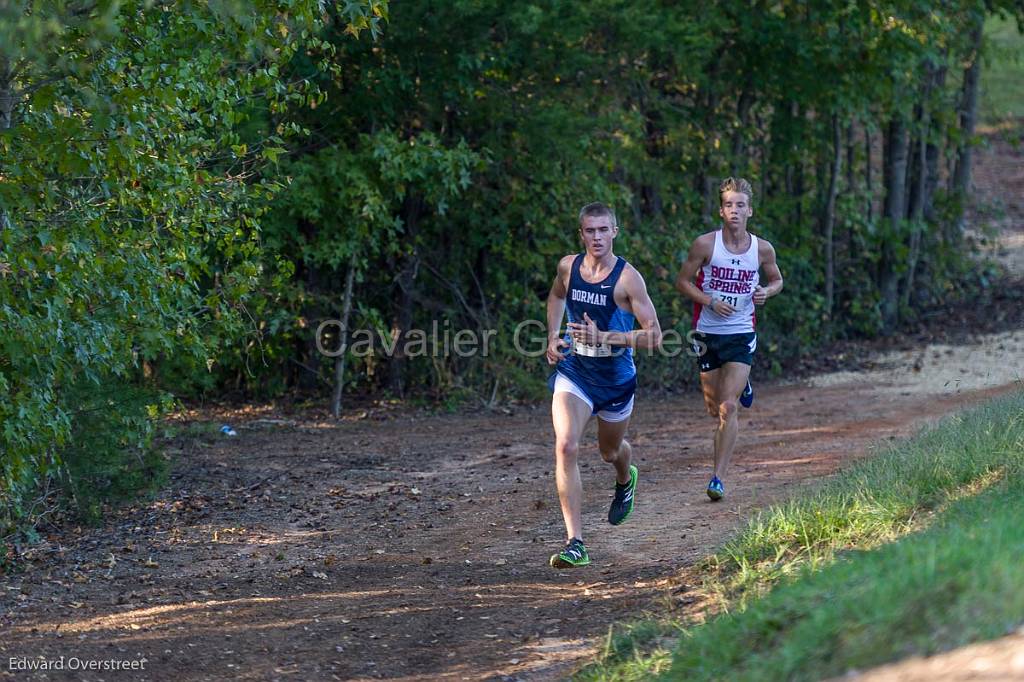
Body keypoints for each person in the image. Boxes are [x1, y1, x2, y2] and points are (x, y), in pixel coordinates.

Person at [544, 202, 662, 568]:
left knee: (609, 453)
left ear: (615, 232)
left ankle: (625, 478)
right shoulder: (569, 267)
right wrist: (552, 336)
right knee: (565, 446)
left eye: (603, 230)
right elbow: (556, 297)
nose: (596, 237)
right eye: (589, 231)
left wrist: (606, 336)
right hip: (576, 372)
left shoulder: (628, 279)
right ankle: (575, 542)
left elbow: (654, 337)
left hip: (615, 379)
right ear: (581, 234)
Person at [675, 177, 783, 501]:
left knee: (727, 407)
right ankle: (742, 384)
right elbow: (682, 282)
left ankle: (718, 478)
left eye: (740, 205)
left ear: (749, 210)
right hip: (707, 332)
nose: (734, 211)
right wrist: (708, 301)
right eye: (728, 205)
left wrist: (766, 291)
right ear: (721, 211)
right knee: (712, 408)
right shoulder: (705, 245)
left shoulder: (762, 249)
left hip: (740, 332)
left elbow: (777, 280)